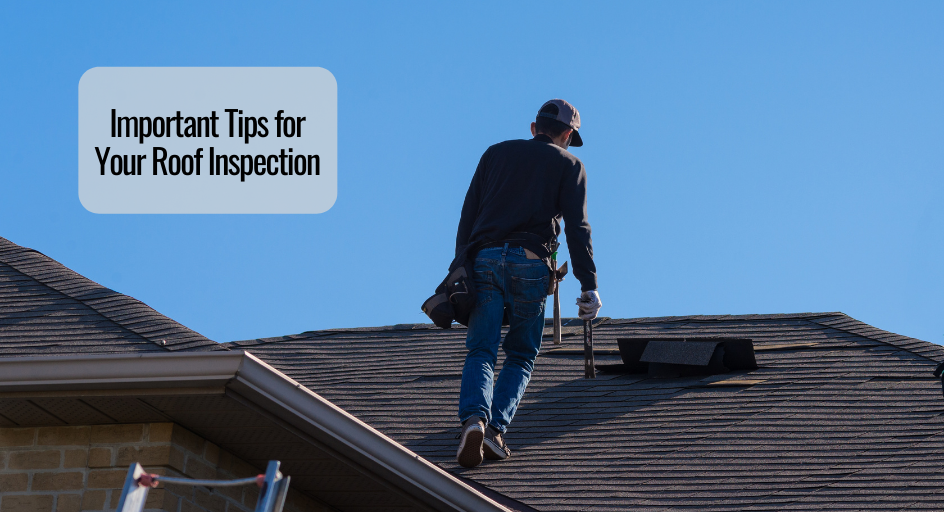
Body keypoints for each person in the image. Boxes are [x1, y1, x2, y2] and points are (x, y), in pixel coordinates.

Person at [454, 99, 602, 468]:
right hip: (532, 263)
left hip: (484, 258)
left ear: (534, 127)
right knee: (520, 354)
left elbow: (468, 213)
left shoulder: (495, 154)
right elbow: (577, 229)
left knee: (481, 350)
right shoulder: (570, 164)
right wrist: (589, 284)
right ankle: (494, 430)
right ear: (567, 134)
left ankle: (474, 420)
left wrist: (460, 266)